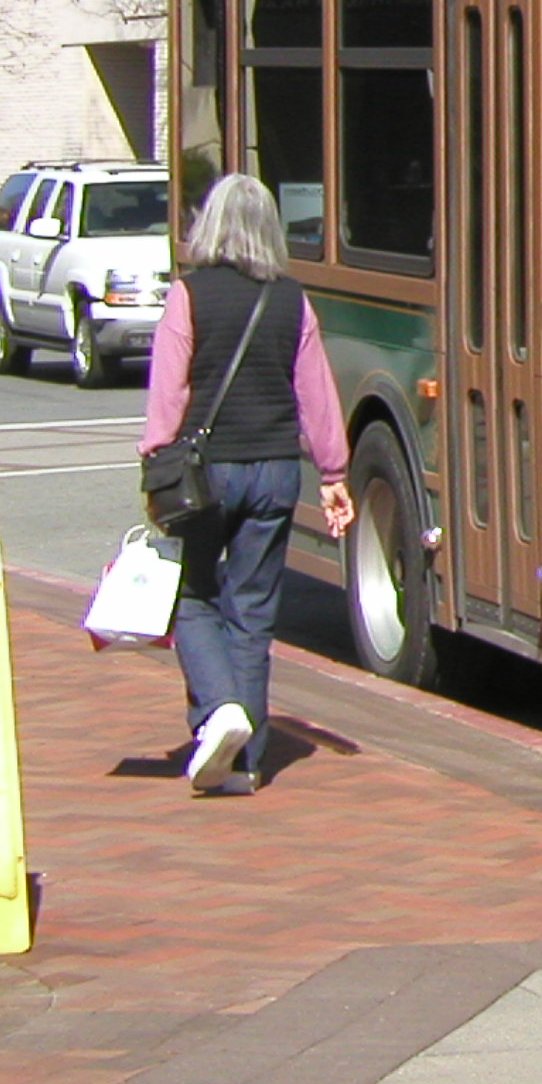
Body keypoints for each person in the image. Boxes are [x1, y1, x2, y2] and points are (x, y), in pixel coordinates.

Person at [138, 175, 355, 794]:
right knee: (254, 610)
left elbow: (170, 391)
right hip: (275, 472)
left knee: (196, 594)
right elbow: (315, 393)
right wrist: (334, 474)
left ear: (211, 224)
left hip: (207, 475)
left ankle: (218, 711)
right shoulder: (291, 299)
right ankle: (247, 760)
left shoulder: (190, 294)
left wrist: (154, 463)